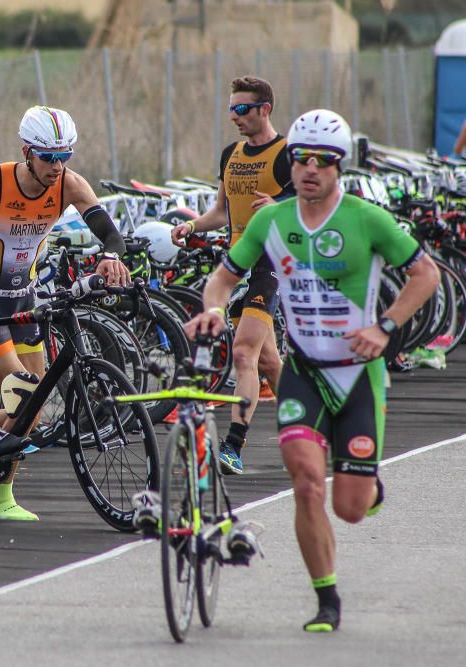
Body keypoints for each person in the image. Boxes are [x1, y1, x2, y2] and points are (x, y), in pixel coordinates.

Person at [185, 109, 440, 632]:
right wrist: (213, 308)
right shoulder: (270, 221)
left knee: (350, 506)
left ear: (339, 168)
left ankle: (368, 486)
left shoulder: (366, 219)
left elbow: (425, 273)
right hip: (303, 369)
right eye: (301, 159)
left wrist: (386, 328)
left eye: (323, 162)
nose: (310, 169)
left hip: (358, 375)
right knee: (305, 481)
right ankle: (326, 600)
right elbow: (222, 278)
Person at [0, 105, 131, 521]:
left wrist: (111, 255)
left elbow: (109, 232)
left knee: (35, 406)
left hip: (25, 297)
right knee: (22, 391)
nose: (58, 166)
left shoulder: (70, 185)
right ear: (27, 152)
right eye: (49, 157)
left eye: (65, 156)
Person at [171, 75, 295, 475]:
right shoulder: (231, 155)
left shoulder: (287, 154)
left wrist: (279, 204)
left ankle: (232, 446)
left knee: (243, 353)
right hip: (237, 262)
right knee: (269, 362)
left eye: (242, 109)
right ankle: (314, 427)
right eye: (231, 109)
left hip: (271, 263)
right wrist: (191, 226)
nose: (234, 117)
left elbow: (312, 207)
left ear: (265, 110)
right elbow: (221, 213)